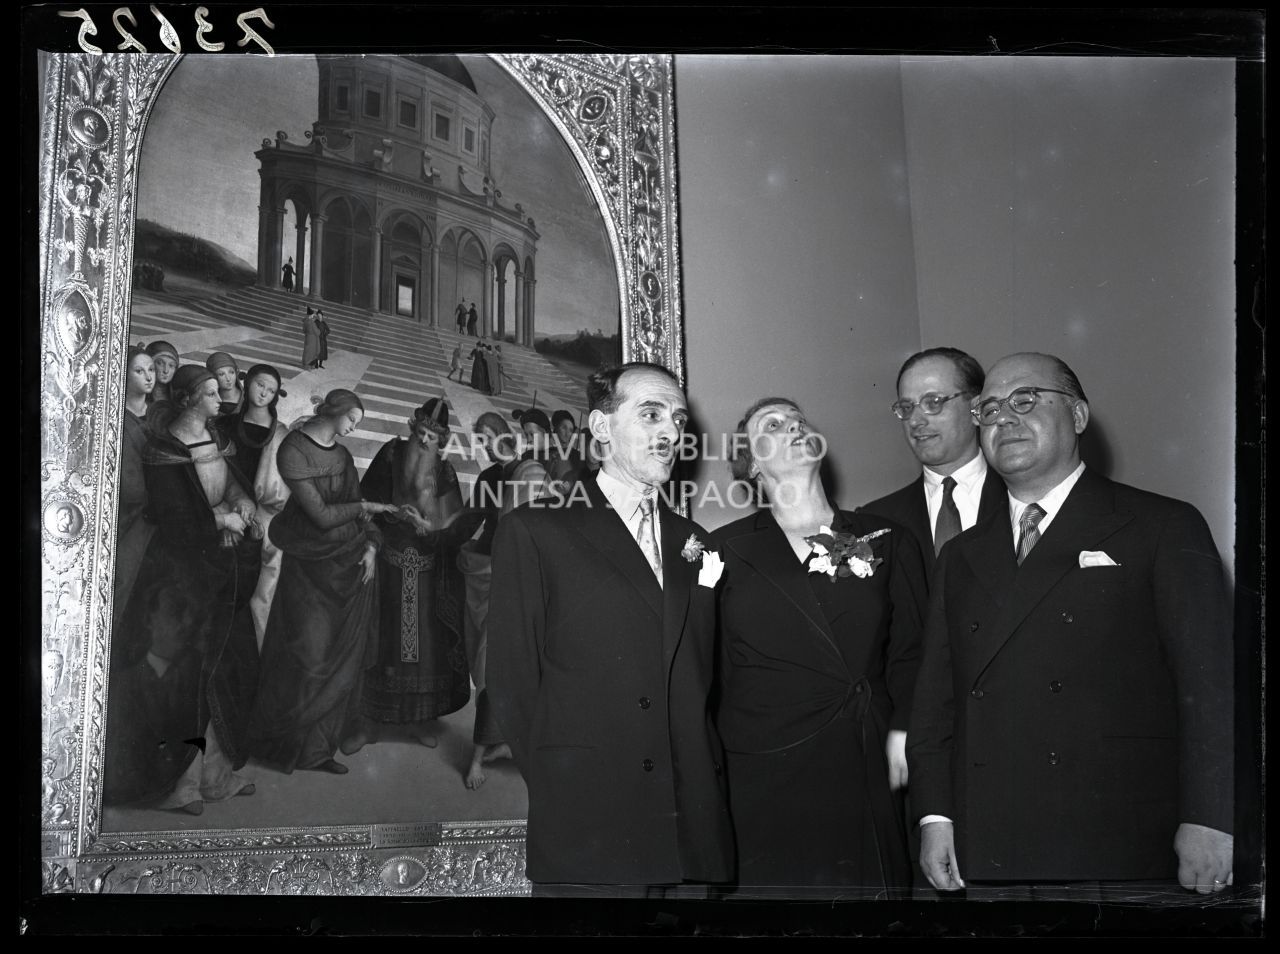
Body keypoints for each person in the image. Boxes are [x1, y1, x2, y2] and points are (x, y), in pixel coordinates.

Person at [908, 352, 1234, 896]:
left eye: (1026, 400)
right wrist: (935, 818)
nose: (1004, 418)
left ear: (1078, 416)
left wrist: (1213, 816)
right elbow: (934, 706)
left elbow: (1213, 689)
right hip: (988, 844)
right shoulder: (961, 555)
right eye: (988, 410)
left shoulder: (1162, 525)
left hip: (1119, 840)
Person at [488, 362, 735, 895]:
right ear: (601, 428)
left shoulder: (700, 542)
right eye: (650, 414)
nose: (670, 432)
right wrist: (569, 787)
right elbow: (512, 687)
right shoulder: (535, 530)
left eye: (677, 419)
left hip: (691, 836)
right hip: (591, 833)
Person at [710, 398, 926, 898]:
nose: (795, 426)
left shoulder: (888, 539)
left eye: (800, 420)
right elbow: (713, 675)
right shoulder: (724, 550)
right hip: (763, 770)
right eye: (775, 424)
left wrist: (903, 738)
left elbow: (913, 657)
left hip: (863, 762)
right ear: (752, 464)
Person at [104, 364, 261, 814]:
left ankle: (216, 777)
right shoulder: (164, 449)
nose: (220, 400)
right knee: (184, 676)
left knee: (227, 666)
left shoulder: (214, 438)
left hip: (220, 568)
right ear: (190, 399)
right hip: (180, 577)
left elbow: (230, 482)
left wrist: (242, 503)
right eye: (211, 394)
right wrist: (222, 521)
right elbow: (176, 518)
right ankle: (180, 786)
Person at [247, 390, 398, 775]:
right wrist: (366, 508)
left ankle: (318, 751)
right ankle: (283, 744)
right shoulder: (293, 450)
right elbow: (322, 516)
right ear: (334, 412)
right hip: (310, 569)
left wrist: (371, 545)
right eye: (352, 420)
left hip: (347, 564)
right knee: (310, 654)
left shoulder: (343, 457)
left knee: (341, 656)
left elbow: (350, 507)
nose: (352, 428)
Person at [347, 398, 478, 752]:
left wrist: (429, 527)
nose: (423, 441)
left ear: (441, 441)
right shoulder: (391, 454)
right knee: (381, 643)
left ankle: (420, 719)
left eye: (431, 437)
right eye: (420, 433)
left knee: (424, 651)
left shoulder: (445, 472)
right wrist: (386, 523)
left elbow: (454, 524)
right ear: (412, 429)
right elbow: (364, 501)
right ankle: (369, 724)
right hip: (386, 565)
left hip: (428, 573)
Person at [860, 347, 1006, 574]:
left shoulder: (1024, 498)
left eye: (933, 402)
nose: (916, 420)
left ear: (977, 408)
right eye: (906, 407)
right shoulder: (876, 520)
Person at [458, 411, 518, 789]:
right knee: (489, 665)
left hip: (519, 579)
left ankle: (497, 747)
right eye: (479, 440)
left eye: (485, 438)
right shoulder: (489, 477)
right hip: (488, 572)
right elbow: (470, 521)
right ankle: (479, 756)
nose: (483, 446)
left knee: (508, 666)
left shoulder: (530, 473)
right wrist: (435, 534)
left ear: (502, 435)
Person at [221, 364, 291, 648]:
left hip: (262, 520)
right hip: (227, 512)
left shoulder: (280, 433)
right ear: (247, 383)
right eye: (260, 385)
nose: (264, 393)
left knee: (258, 590)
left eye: (271, 390)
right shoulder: (225, 425)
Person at [113, 344, 157, 633]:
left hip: (158, 516)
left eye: (151, 370)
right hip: (130, 516)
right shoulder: (116, 418)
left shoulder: (160, 417)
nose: (149, 377)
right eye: (139, 371)